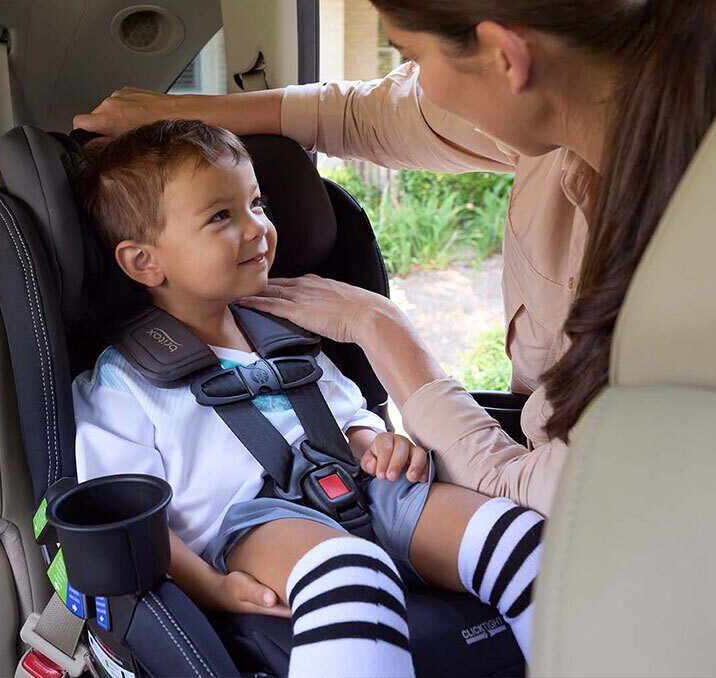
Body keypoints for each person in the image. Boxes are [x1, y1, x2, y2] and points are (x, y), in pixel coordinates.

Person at [73, 0, 716, 518]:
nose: (415, 83)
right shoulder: (583, 114)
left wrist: (380, 330)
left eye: (411, 56)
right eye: (219, 215)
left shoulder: (684, 269)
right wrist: (180, 113)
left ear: (506, 55)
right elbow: (370, 113)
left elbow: (555, 503)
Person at [70, 119, 545, 677]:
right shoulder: (123, 383)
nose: (257, 229)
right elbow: (137, 524)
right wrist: (214, 588)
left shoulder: (286, 332)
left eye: (257, 204)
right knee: (352, 575)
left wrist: (379, 443)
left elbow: (348, 418)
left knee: (523, 541)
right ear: (144, 262)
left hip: (367, 489)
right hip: (251, 525)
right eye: (221, 216)